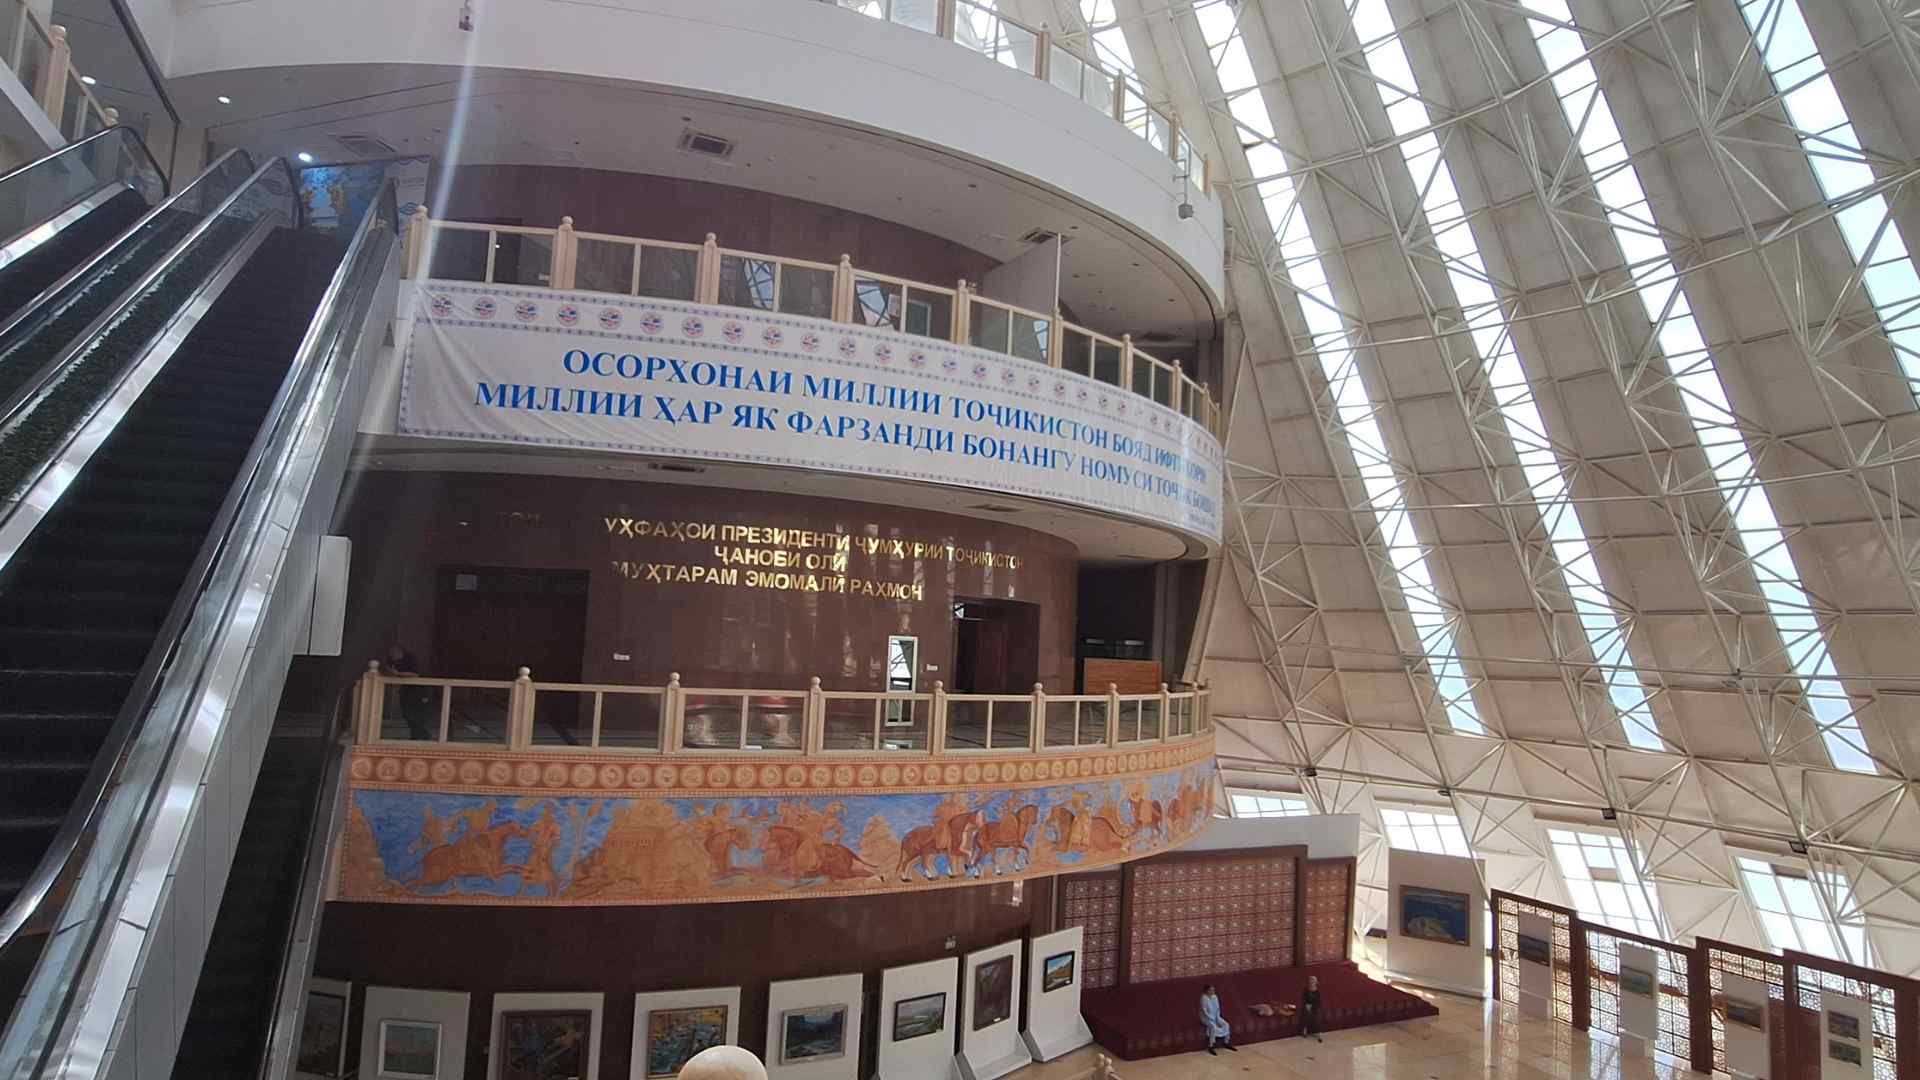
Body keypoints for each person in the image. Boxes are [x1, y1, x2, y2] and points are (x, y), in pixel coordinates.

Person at [382, 643, 436, 740]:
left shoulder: (410, 658)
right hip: (405, 690)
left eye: (394, 652)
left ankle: (423, 736)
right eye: (391, 653)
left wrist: (398, 673)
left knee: (417, 715)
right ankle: (416, 736)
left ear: (399, 651)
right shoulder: (391, 660)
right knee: (406, 713)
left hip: (419, 690)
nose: (392, 655)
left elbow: (415, 674)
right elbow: (388, 671)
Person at [1199, 984, 1237, 1055]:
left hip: (1215, 1016)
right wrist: (1212, 1019)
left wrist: (1217, 1018)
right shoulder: (1203, 998)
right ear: (1206, 991)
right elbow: (1205, 1011)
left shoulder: (1215, 997)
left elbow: (1217, 1008)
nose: (1213, 991)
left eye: (1213, 990)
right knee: (1212, 1026)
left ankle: (1226, 1042)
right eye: (1211, 990)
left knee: (1226, 1024)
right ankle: (1211, 1045)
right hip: (1205, 1018)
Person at [1301, 974, 1323, 1042]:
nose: (1311, 982)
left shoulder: (1318, 991)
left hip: (1315, 1006)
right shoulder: (1306, 990)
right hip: (1308, 1006)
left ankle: (1319, 1035)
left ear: (1316, 982)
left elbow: (1318, 1000)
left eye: (1313, 981)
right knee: (1306, 1017)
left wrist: (1314, 1006)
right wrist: (1307, 1005)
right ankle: (1305, 1031)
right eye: (1310, 981)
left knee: (1317, 1019)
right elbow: (1304, 999)